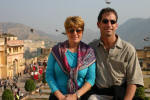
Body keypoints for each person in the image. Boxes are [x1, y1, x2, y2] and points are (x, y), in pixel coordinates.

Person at [89, 7, 144, 100]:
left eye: (112, 22)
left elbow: (133, 80)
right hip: (98, 94)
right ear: (98, 24)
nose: (109, 24)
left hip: (122, 95)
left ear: (116, 25)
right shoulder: (91, 48)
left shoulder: (128, 49)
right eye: (105, 21)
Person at [46, 16, 96, 100]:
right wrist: (60, 97)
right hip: (57, 97)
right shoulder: (56, 51)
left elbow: (91, 79)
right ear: (66, 32)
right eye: (71, 30)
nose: (75, 33)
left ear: (82, 31)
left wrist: (75, 96)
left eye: (78, 30)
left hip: (80, 97)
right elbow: (49, 75)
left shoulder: (88, 52)